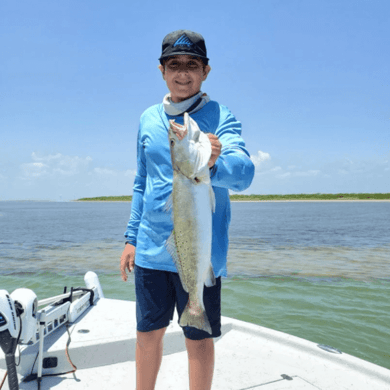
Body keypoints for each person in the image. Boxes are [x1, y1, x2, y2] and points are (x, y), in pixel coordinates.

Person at [120, 30, 255, 390]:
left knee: (198, 338)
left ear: (206, 71)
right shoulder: (148, 119)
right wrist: (131, 238)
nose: (183, 73)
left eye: (192, 65)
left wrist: (215, 160)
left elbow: (244, 175)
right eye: (174, 64)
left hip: (200, 254)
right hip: (152, 250)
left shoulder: (220, 116)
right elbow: (141, 182)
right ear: (162, 70)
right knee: (148, 333)